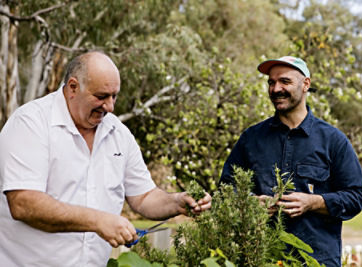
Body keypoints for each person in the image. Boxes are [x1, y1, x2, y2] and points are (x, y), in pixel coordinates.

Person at [0, 51, 211, 267]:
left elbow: (144, 196)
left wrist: (176, 201)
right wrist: (98, 221)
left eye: (114, 96)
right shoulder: (30, 123)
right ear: (73, 87)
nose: (110, 107)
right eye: (101, 97)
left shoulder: (118, 133)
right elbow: (23, 203)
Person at [219, 56, 362, 267]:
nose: (276, 88)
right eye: (271, 82)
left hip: (317, 261)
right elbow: (226, 188)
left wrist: (313, 202)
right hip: (260, 259)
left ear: (306, 84)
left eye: (285, 81)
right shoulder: (251, 139)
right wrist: (250, 203)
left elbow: (356, 195)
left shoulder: (333, 140)